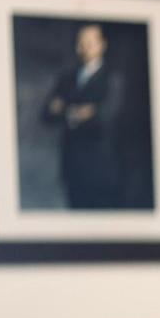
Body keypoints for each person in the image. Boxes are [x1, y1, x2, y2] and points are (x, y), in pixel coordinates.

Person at [40, 23, 124, 209]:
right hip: (72, 166)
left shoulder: (113, 79)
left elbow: (105, 118)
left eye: (90, 42)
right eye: (81, 42)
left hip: (100, 167)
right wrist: (79, 112)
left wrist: (65, 109)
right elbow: (46, 114)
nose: (85, 47)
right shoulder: (67, 79)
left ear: (102, 44)